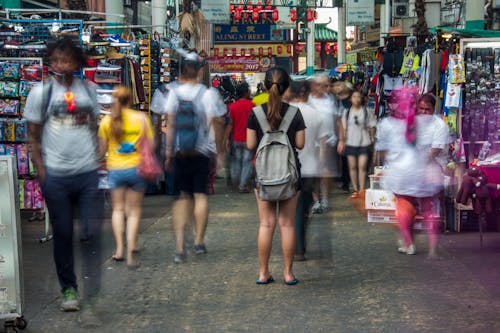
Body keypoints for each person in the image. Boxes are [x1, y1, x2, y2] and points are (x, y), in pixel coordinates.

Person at [24, 37, 103, 320]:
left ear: (77, 62)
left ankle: (92, 292)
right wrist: (42, 171)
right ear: (50, 62)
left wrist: (97, 157)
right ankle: (69, 289)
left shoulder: (89, 91)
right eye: (56, 60)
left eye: (67, 60)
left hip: (86, 173)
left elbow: (95, 127)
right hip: (56, 175)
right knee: (63, 234)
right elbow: (33, 136)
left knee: (91, 233)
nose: (61, 65)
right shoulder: (40, 94)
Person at [162, 50, 225, 263]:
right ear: (199, 71)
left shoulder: (173, 93)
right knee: (200, 195)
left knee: (182, 197)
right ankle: (198, 241)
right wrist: (218, 154)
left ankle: (180, 247)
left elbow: (170, 124)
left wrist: (168, 152)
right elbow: (215, 123)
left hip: (180, 151)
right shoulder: (208, 94)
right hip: (202, 152)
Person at [247, 67, 306, 285]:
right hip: (290, 174)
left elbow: (251, 145)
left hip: (263, 176)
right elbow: (300, 144)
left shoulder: (255, 114)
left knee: (266, 224)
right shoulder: (294, 113)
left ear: (264, 86)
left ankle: (263, 273)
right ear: (286, 88)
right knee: (287, 224)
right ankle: (288, 274)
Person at [376, 88, 448, 258]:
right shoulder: (412, 122)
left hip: (416, 172)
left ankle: (414, 245)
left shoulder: (405, 123)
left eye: (427, 109)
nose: (423, 112)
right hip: (416, 172)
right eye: (420, 108)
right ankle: (415, 244)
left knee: (413, 208)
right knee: (417, 208)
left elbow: (434, 150)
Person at [98, 86, 154, 269]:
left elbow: (101, 151)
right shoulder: (141, 119)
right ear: (131, 100)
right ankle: (131, 252)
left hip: (115, 169)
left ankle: (119, 249)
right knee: (134, 211)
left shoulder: (107, 121)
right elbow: (151, 145)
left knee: (118, 210)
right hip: (137, 169)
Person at [284, 79, 330, 261]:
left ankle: (295, 246)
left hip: (287, 166)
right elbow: (323, 143)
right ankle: (299, 246)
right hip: (310, 167)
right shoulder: (315, 114)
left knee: (290, 209)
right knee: (303, 209)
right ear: (306, 93)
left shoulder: (285, 114)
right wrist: (322, 164)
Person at [307, 74, 343, 213]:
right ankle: (315, 200)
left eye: (328, 85)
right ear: (315, 86)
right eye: (324, 85)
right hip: (312, 142)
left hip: (329, 141)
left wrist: (341, 139)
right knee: (314, 172)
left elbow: (338, 120)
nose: (327, 88)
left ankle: (325, 199)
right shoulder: (308, 100)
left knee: (326, 172)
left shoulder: (330, 99)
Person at [339, 90, 376, 198]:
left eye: (358, 97)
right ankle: (355, 189)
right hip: (350, 142)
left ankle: (361, 189)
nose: (356, 99)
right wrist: (343, 141)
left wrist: (372, 139)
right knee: (352, 167)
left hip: (364, 142)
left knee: (362, 166)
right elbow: (344, 128)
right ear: (350, 99)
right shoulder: (346, 113)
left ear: (361, 99)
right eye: (354, 97)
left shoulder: (367, 111)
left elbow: (371, 126)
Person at [226, 82, 256, 192]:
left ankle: (236, 180)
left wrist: (227, 140)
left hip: (236, 139)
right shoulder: (252, 106)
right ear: (246, 93)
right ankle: (243, 185)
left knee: (237, 160)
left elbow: (230, 124)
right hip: (249, 139)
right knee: (247, 162)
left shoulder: (233, 107)